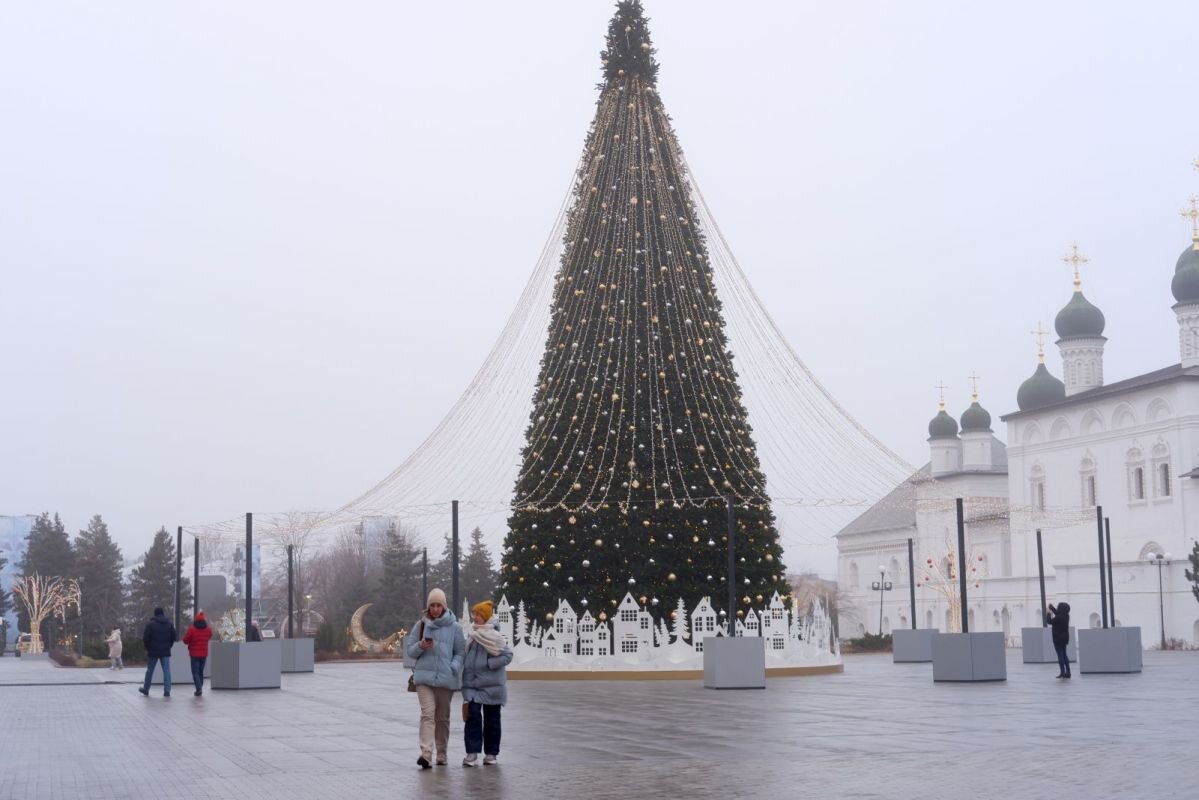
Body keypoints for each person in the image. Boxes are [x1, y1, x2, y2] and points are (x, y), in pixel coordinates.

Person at [404, 588, 464, 769]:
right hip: (424, 678)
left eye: (439, 605)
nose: (436, 609)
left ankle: (442, 753)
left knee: (442, 718)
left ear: (444, 607)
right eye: (432, 606)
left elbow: (460, 652)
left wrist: (452, 667)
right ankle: (426, 754)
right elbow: (410, 651)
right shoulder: (420, 625)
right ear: (428, 607)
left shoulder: (455, 627)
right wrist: (421, 645)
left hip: (446, 679)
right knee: (427, 715)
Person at [460, 600, 512, 767]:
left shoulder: (494, 636)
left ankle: (491, 753)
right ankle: (472, 752)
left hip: (492, 687)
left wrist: (490, 664)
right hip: (473, 685)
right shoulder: (473, 635)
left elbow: (507, 656)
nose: (475, 617)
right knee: (472, 717)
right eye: (474, 614)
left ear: (485, 617)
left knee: (492, 720)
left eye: (478, 615)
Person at [138, 607, 177, 697]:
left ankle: (146, 689)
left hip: (153, 651)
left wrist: (148, 648)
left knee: (150, 671)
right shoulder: (169, 624)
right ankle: (167, 691)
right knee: (166, 671)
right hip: (165, 651)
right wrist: (168, 646)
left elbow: (146, 638)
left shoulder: (150, 624)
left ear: (155, 614)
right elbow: (173, 637)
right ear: (163, 613)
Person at [182, 611, 214, 696]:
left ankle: (199, 688)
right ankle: (199, 687)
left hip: (194, 654)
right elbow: (210, 635)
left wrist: (191, 642)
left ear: (196, 620)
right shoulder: (208, 629)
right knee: (200, 672)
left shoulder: (192, 629)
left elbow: (185, 640)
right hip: (204, 654)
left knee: (195, 672)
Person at [1046, 602, 1072, 679]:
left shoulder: (1058, 618)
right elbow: (1058, 613)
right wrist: (1052, 608)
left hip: (1057, 638)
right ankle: (1068, 671)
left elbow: (1049, 621)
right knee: (1064, 654)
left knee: (1060, 655)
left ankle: (1062, 672)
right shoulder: (1066, 616)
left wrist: (1048, 613)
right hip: (1064, 638)